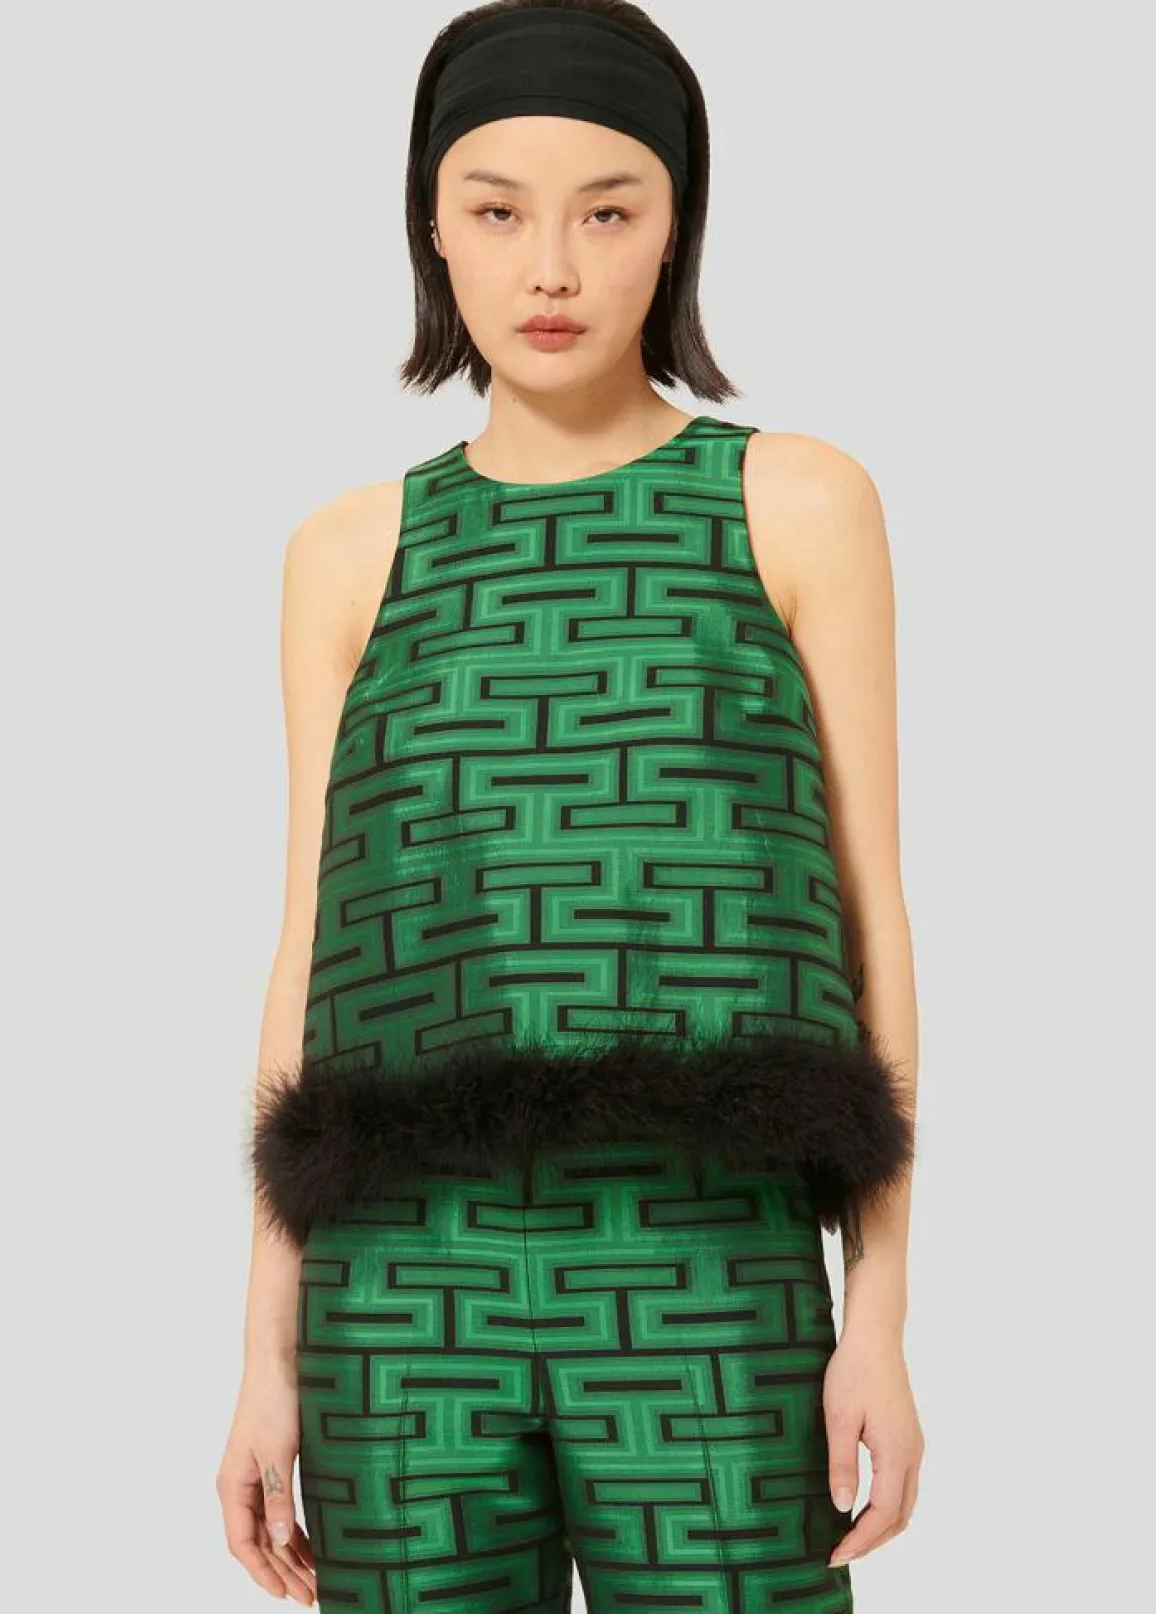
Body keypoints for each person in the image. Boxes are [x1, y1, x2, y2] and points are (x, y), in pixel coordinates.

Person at [217, 2, 923, 1608]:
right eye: (496, 211)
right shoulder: (348, 552)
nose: (550, 268)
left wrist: (877, 1310)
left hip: (710, 1259)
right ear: (433, 229)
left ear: (676, 228)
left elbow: (872, 915)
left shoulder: (795, 503)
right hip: (398, 1286)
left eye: (608, 212)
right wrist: (266, 1349)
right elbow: (309, 947)